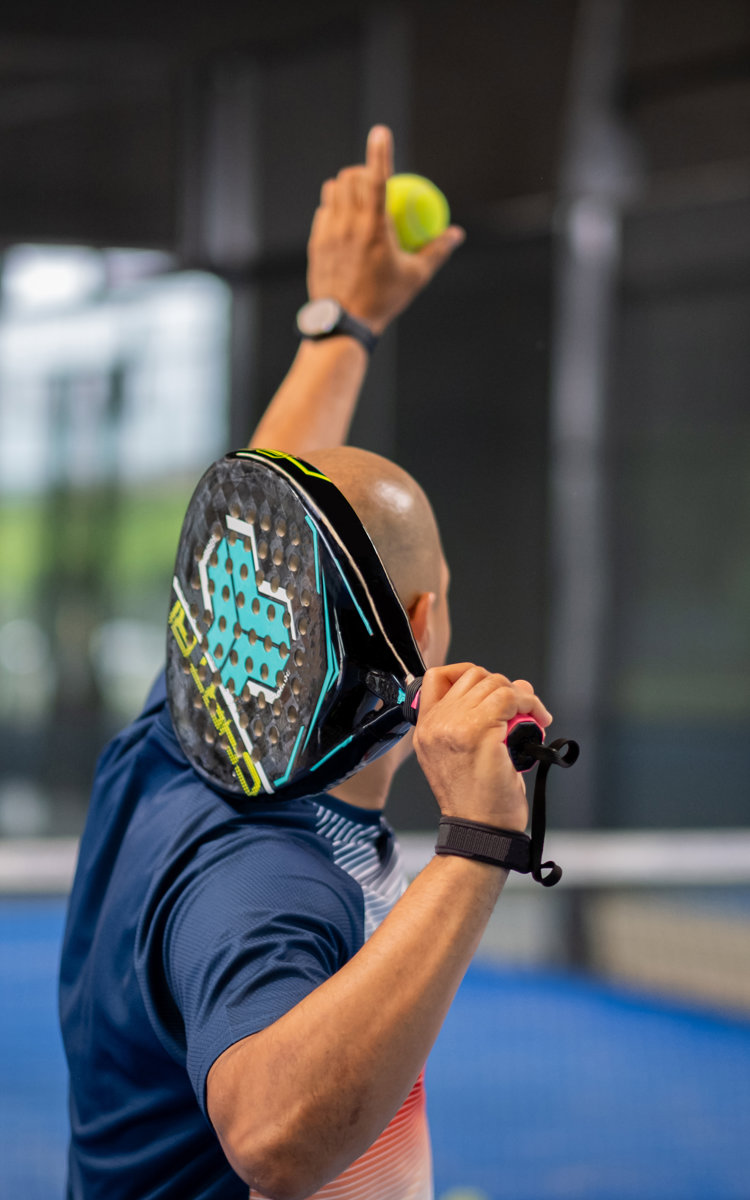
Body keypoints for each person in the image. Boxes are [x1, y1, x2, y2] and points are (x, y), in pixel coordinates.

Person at [59, 126, 553, 1200]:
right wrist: (476, 844)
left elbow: (264, 532)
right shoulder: (269, 877)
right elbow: (275, 1139)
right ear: (425, 622)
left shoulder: (180, 738)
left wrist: (343, 325)